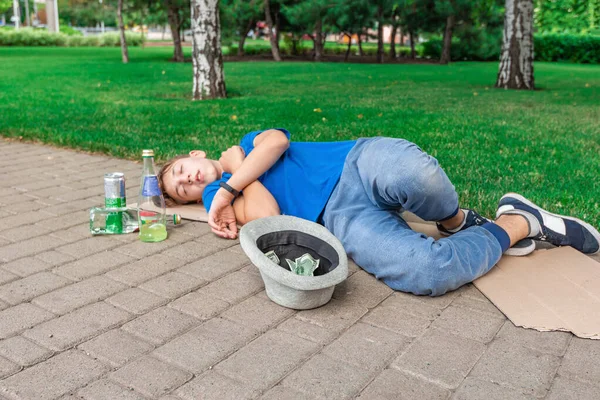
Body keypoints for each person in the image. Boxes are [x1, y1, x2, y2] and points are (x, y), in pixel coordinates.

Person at [157, 128, 600, 296]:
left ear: (195, 153)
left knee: (416, 177)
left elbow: (276, 143)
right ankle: (520, 221)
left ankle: (453, 220)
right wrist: (227, 184)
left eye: (182, 169)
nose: (187, 179)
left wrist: (233, 175)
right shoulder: (226, 191)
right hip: (340, 221)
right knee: (425, 270)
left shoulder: (246, 142)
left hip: (354, 162)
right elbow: (273, 214)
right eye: (181, 190)